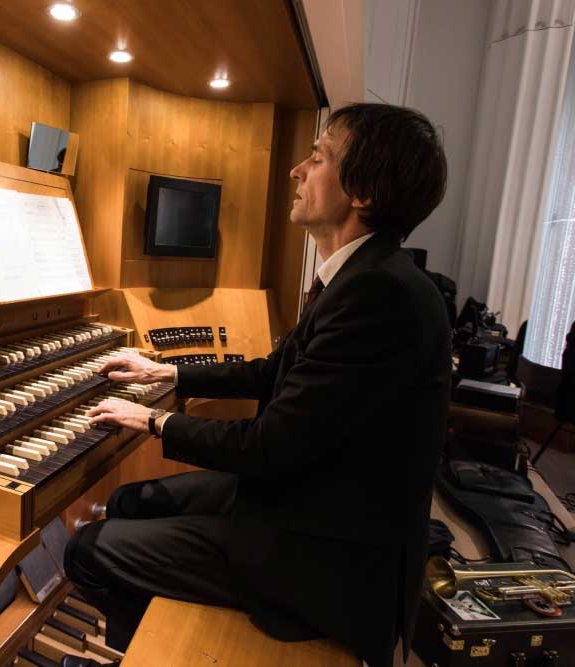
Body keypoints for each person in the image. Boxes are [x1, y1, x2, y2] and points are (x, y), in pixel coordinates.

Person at [63, 103, 451, 667]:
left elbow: (268, 447)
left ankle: (162, 650)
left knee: (88, 550)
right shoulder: (364, 277)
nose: (296, 169)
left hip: (327, 560)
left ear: (362, 191)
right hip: (314, 503)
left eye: (317, 157)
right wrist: (167, 371)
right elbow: (274, 373)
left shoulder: (379, 296)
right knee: (131, 500)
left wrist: (154, 421)